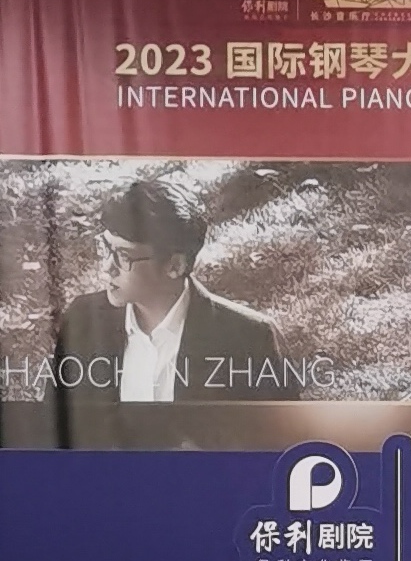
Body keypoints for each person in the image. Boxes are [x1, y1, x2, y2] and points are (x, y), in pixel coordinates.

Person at [52, 177, 295, 421]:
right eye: (106, 247)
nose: (107, 267)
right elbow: (54, 426)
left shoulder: (251, 338)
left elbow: (283, 435)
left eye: (123, 256)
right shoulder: (83, 319)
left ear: (175, 266)